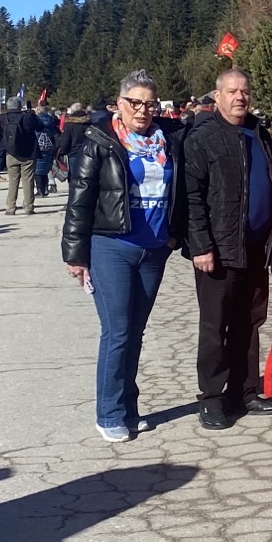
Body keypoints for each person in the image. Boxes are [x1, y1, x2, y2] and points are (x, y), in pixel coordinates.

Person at [60, 71, 184, 441]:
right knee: (117, 331)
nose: (143, 111)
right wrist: (75, 255)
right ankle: (109, 412)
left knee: (136, 332)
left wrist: (175, 233)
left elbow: (181, 188)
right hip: (112, 246)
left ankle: (129, 407)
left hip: (154, 249)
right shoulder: (99, 140)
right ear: (120, 102)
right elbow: (79, 200)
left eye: (149, 104)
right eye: (135, 103)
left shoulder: (169, 139)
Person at [182, 68, 272, 431]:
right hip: (218, 250)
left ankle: (246, 391)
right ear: (218, 96)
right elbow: (191, 198)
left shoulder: (259, 132)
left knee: (249, 322)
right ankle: (211, 398)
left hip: (255, 246)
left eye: (245, 91)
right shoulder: (203, 137)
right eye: (232, 91)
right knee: (214, 325)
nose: (240, 97)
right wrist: (201, 245)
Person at [0, 96, 43, 215]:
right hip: (28, 153)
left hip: (11, 153)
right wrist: (32, 114)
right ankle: (28, 207)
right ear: (19, 106)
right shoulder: (26, 117)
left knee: (13, 181)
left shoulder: (4, 118)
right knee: (28, 181)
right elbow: (40, 126)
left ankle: (10, 207)